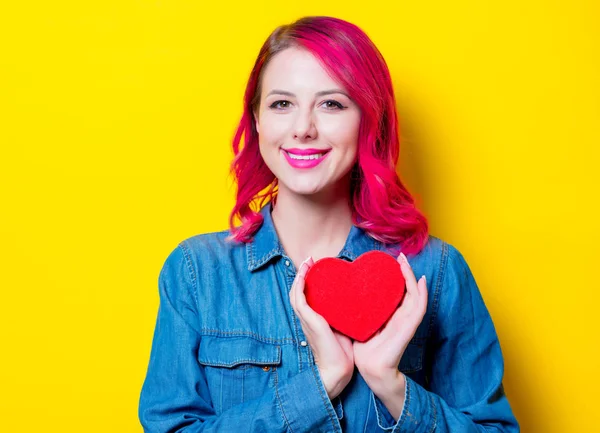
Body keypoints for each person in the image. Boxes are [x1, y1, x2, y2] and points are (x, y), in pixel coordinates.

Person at [138, 15, 519, 433]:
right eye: (282, 104)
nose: (303, 128)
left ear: (368, 121)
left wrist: (392, 386)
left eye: (331, 103)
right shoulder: (198, 273)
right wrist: (319, 385)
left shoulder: (436, 271)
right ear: (258, 121)